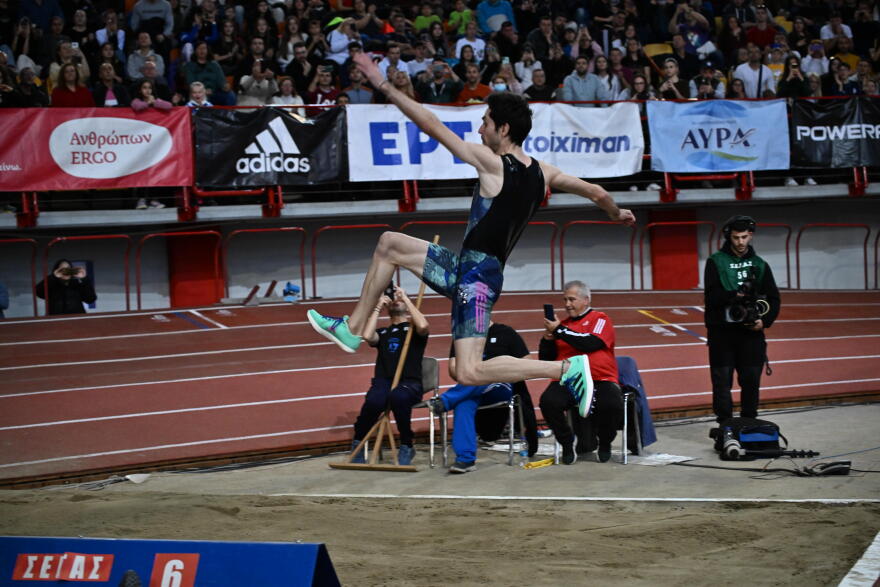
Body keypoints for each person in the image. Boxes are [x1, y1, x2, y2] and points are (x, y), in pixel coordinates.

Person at [307, 51, 635, 421]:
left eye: (485, 122)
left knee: (469, 372)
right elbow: (595, 191)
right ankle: (352, 329)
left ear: (504, 130)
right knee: (389, 243)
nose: (480, 129)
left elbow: (432, 125)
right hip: (473, 269)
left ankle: (564, 370)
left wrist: (382, 85)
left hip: (475, 279)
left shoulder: (494, 163)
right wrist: (616, 212)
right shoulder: (544, 172)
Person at [419, 321, 538, 473]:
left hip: (500, 386)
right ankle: (465, 459)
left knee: (481, 375)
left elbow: (528, 363)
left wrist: (500, 367)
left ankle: (445, 400)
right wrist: (472, 372)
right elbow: (454, 369)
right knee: (463, 404)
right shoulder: (462, 336)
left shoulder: (505, 332)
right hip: (471, 388)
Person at [704, 216, 781, 424]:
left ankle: (749, 423)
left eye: (744, 237)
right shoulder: (715, 262)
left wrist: (764, 322)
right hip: (722, 334)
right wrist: (735, 296)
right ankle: (725, 426)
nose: (740, 242)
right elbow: (711, 298)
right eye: (736, 237)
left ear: (751, 236)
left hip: (751, 334)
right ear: (729, 236)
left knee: (751, 382)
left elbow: (774, 298)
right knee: (721, 383)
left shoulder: (760, 264)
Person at [538, 281, 624, 465]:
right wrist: (547, 339)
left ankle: (606, 442)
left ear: (586, 300)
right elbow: (546, 357)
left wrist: (560, 330)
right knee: (548, 402)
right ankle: (568, 443)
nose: (567, 304)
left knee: (612, 404)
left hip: (600, 378)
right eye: (565, 300)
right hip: (568, 379)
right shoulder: (563, 327)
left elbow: (590, 343)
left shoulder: (600, 319)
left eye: (572, 299)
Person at [350, 286, 429, 466]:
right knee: (374, 401)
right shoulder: (384, 333)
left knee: (398, 397)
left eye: (398, 300)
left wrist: (407, 299)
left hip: (409, 383)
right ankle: (358, 443)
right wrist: (378, 306)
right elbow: (368, 336)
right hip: (384, 381)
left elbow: (424, 325)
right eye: (394, 300)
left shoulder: (413, 329)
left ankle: (407, 445)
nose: (396, 300)